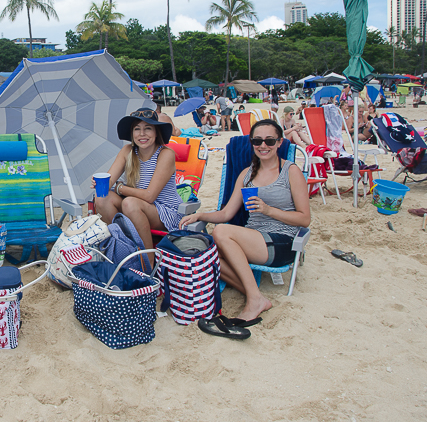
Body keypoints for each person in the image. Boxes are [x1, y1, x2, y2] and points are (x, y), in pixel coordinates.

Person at [179, 119, 311, 321]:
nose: (263, 146)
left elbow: (304, 219)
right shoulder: (246, 174)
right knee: (204, 255)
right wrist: (199, 215)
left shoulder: (290, 171)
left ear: (279, 143)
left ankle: (255, 301)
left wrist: (268, 210)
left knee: (221, 231)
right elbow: (225, 214)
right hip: (254, 239)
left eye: (269, 140)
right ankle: (256, 295)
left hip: (282, 240)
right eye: (257, 141)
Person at [92, 108, 183, 265]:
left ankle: (148, 264)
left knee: (129, 202)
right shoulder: (128, 151)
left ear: (156, 132)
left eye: (148, 128)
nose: (142, 134)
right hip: (135, 208)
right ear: (132, 133)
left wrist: (120, 188)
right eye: (137, 129)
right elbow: (109, 182)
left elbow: (150, 196)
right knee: (101, 198)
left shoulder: (165, 154)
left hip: (165, 212)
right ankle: (123, 247)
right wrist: (101, 183)